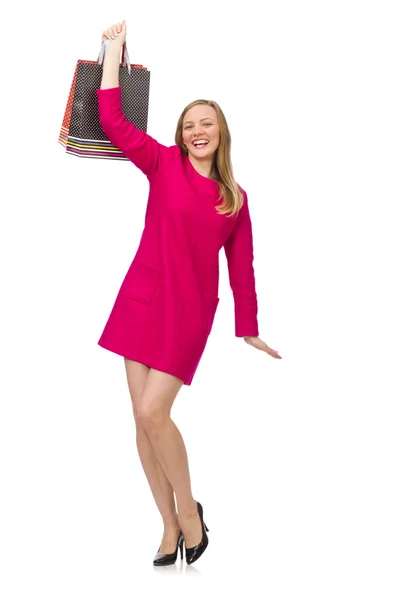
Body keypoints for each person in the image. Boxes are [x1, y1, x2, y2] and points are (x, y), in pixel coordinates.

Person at [97, 20, 282, 567]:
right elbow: (111, 120)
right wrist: (112, 53)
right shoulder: (163, 165)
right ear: (181, 136)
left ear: (221, 132)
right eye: (189, 125)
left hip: (188, 313)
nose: (198, 131)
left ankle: (191, 513)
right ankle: (167, 525)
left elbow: (241, 266)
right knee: (140, 420)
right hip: (141, 300)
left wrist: (247, 326)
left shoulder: (235, 198)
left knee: (157, 413)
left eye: (207, 124)